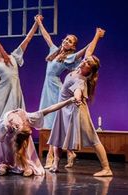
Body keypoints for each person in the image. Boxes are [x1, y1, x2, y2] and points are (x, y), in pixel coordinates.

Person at [48, 27, 113, 177]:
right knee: (57, 137)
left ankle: (106, 168)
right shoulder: (79, 67)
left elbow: (78, 93)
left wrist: (77, 99)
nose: (85, 61)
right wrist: (96, 35)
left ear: (89, 70)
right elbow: (89, 51)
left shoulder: (81, 80)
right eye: (85, 60)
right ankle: (56, 163)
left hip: (77, 111)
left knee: (92, 138)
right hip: (63, 109)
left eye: (88, 63)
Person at [0, 97, 75, 177]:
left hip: (20, 140)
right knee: (7, 158)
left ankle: (22, 165)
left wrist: (69, 101)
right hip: (6, 142)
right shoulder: (5, 126)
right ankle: (5, 165)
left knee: (25, 162)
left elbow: (50, 109)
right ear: (14, 127)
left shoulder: (28, 117)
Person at [35, 15, 94, 169]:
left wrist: (96, 37)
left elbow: (85, 51)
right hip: (47, 88)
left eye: (70, 41)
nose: (66, 41)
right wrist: (39, 22)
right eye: (66, 39)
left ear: (73, 47)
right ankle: (68, 153)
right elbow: (47, 37)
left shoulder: (70, 57)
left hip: (55, 88)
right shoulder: (55, 51)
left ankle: (53, 157)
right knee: (49, 122)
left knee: (54, 123)